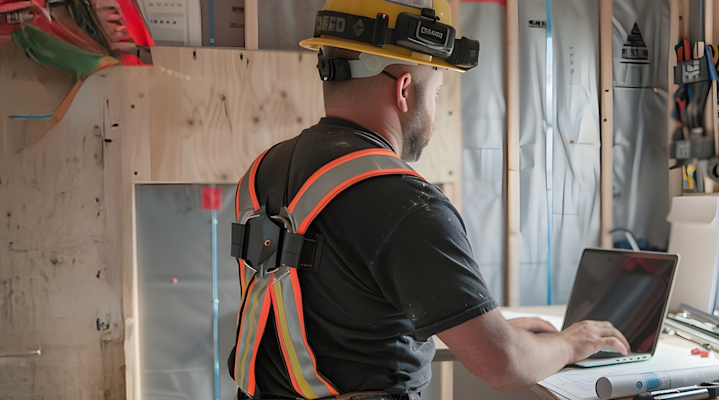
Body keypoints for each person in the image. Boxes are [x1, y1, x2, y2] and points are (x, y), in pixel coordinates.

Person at [226, 1, 629, 399]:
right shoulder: (404, 201)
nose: (434, 110)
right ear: (404, 89)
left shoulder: (263, 171)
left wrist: (480, 328)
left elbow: (341, 312)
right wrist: (571, 343)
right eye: (436, 91)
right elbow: (504, 365)